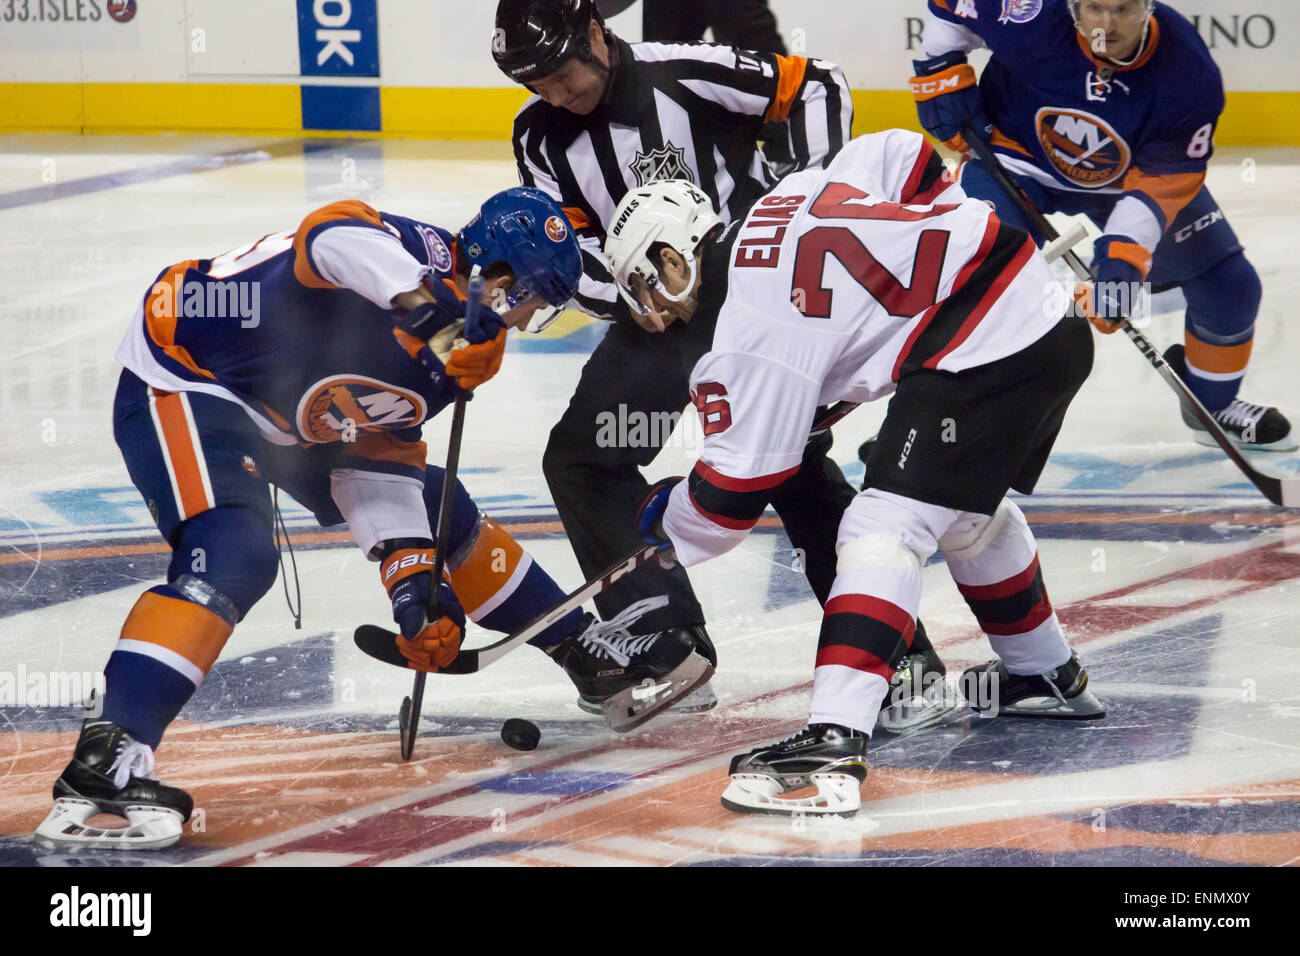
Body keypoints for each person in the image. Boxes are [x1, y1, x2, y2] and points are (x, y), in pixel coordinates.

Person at [35, 187, 712, 850]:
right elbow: (327, 235)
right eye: (530, 300)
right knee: (234, 551)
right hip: (185, 373)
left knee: (438, 502)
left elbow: (379, 465)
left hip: (282, 417)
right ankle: (108, 760)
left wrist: (415, 596)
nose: (525, 322)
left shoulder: (462, 358)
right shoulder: (409, 253)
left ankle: (582, 652)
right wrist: (432, 319)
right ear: (497, 274)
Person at [605, 128, 1106, 817]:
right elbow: (909, 153)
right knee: (964, 518)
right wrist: (946, 228)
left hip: (983, 350)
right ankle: (1044, 674)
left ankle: (834, 743)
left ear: (673, 256)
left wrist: (669, 518)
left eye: (642, 285)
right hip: (1047, 323)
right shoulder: (789, 195)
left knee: (882, 528)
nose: (652, 314)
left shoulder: (746, 332)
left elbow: (731, 499)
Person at [493, 0, 950, 722]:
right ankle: (663, 639)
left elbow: (816, 85)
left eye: (560, 72)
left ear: (594, 34)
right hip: (655, 322)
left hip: (750, 302)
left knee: (790, 467)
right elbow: (567, 244)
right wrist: (620, 297)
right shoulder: (538, 136)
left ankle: (894, 657)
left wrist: (803, 201)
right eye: (535, 84)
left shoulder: (681, 72)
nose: (554, 93)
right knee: (584, 460)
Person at [910, 0, 1292, 450]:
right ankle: (928, 427)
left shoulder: (1188, 74)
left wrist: (1122, 259)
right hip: (1014, 162)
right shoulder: (1024, 10)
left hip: (1125, 182)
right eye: (1094, 8)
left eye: (1124, 9)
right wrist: (940, 75)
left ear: (1148, 6)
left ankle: (1211, 403)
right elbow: (950, 10)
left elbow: (1161, 182)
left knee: (1230, 286)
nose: (1106, 26)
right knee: (979, 290)